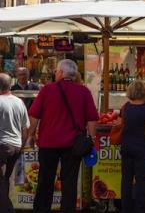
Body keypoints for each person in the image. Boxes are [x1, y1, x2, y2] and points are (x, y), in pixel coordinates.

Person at [27, 59, 98, 213]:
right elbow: (92, 118)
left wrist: (31, 135)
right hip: (73, 145)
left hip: (48, 143)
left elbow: (34, 115)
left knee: (45, 180)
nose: (55, 74)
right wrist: (91, 140)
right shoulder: (83, 91)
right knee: (69, 182)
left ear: (60, 73)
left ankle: (41, 209)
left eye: (56, 71)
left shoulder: (47, 89)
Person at [120, 80, 145, 213]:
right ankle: (140, 209)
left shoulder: (125, 108)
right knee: (141, 182)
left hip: (126, 147)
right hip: (141, 150)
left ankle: (125, 209)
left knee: (126, 181)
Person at [0, 73, 29, 213]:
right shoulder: (19, 102)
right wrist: (21, 146)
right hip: (15, 147)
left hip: (3, 146)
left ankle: (7, 209)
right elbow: (25, 128)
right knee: (4, 179)